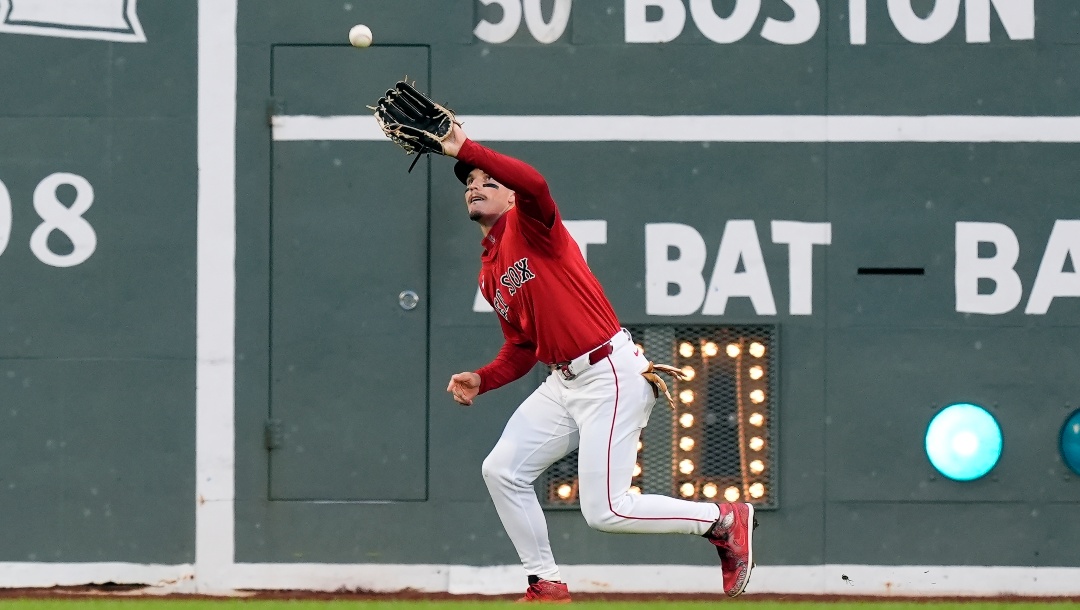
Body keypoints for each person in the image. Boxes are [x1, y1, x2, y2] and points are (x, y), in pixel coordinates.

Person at [440, 123, 756, 602]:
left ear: (510, 198)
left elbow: (536, 185)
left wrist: (466, 149)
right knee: (501, 470)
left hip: (608, 373)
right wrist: (483, 379)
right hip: (562, 382)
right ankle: (544, 582)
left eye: (488, 181)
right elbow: (522, 348)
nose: (475, 187)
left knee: (607, 511)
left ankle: (721, 520)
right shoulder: (489, 273)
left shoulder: (533, 227)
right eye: (468, 183)